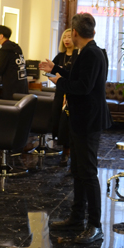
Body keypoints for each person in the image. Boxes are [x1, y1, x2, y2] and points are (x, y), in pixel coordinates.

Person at [40, 13, 109, 245]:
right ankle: (77, 218)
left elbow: (82, 87)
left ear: (76, 33)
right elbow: (77, 75)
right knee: (78, 171)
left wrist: (58, 80)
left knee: (88, 173)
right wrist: (56, 68)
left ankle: (95, 225)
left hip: (88, 121)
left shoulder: (92, 54)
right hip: (81, 120)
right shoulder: (87, 52)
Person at [49, 29, 78, 166]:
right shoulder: (60, 56)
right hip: (60, 93)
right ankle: (63, 150)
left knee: (69, 123)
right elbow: (49, 73)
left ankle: (69, 153)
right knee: (58, 121)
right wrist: (55, 77)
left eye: (69, 37)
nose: (66, 40)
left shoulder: (79, 56)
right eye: (64, 37)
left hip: (72, 93)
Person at [0, 25, 27, 100]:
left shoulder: (4, 50)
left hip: (11, 87)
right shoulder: (16, 47)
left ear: (1, 36)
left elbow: (1, 69)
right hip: (22, 85)